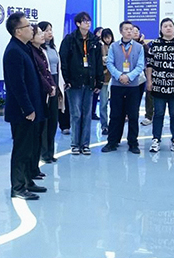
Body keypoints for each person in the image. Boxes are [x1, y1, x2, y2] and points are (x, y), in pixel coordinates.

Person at [3, 13, 46, 200]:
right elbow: (17, 85)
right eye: (28, 26)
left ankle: (28, 181)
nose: (32, 28)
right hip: (22, 112)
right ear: (18, 31)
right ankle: (18, 187)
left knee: (29, 148)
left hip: (33, 108)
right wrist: (28, 108)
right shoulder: (14, 51)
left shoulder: (24, 48)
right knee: (21, 149)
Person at [59, 12, 102, 155]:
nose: (88, 23)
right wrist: (66, 80)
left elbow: (98, 62)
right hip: (74, 82)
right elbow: (63, 60)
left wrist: (99, 81)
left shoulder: (94, 41)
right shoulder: (70, 39)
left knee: (87, 114)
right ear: (78, 24)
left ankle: (85, 144)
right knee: (76, 114)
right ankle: (75, 144)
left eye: (89, 21)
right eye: (85, 21)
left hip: (89, 82)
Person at [145, 19, 174, 153]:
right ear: (161, 29)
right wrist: (149, 81)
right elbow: (150, 64)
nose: (168, 28)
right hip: (159, 85)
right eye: (165, 26)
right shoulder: (155, 44)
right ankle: (156, 140)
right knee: (158, 113)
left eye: (170, 26)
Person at [101, 21, 145, 154]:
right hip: (117, 85)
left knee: (133, 115)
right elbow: (109, 63)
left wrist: (129, 77)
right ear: (121, 31)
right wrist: (119, 76)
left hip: (133, 86)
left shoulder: (139, 47)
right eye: (126, 29)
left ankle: (133, 143)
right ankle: (112, 142)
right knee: (115, 114)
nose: (129, 31)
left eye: (131, 29)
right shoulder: (114, 46)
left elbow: (140, 66)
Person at [29, 25, 56, 179]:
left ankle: (36, 167)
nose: (43, 35)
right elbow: (39, 74)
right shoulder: (30, 52)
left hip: (47, 92)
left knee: (48, 125)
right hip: (38, 94)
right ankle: (32, 169)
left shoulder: (42, 50)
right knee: (35, 134)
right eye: (39, 33)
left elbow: (47, 71)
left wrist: (52, 85)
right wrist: (48, 87)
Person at [37, 21, 64, 163]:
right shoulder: (38, 50)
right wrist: (49, 86)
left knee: (54, 120)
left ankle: (51, 152)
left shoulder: (53, 48)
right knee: (45, 122)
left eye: (50, 30)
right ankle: (44, 152)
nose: (49, 33)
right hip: (45, 86)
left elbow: (58, 68)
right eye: (46, 30)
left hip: (55, 83)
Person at [98, 28, 114, 135]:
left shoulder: (116, 47)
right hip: (104, 79)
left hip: (115, 79)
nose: (107, 39)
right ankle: (104, 125)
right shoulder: (100, 48)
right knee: (103, 104)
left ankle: (113, 124)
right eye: (105, 37)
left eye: (109, 37)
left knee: (114, 104)